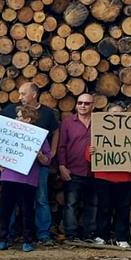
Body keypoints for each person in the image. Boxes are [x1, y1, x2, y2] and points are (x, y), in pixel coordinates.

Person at [0, 81, 60, 244]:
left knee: (40, 199)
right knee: (10, 204)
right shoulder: (12, 109)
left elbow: (56, 131)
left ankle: (43, 234)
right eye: (19, 93)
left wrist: (52, 152)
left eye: (23, 94)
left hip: (36, 169)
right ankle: (8, 234)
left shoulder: (47, 113)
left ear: (34, 94)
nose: (20, 97)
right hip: (13, 169)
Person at [0, 106, 52, 252]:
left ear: (28, 119)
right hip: (9, 176)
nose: (16, 119)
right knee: (5, 209)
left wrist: (40, 156)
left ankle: (27, 240)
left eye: (19, 117)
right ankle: (3, 238)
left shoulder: (39, 136)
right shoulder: (9, 133)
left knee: (27, 210)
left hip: (28, 178)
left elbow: (47, 160)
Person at [91, 102, 131, 248]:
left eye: (120, 114)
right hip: (104, 176)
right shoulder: (99, 130)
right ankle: (101, 235)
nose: (116, 117)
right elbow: (89, 156)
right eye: (113, 114)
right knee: (104, 208)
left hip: (126, 177)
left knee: (123, 208)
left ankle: (121, 237)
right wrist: (90, 151)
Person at [57, 93, 97, 241]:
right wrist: (62, 166)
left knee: (92, 204)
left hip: (95, 171)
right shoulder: (68, 122)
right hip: (73, 169)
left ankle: (89, 234)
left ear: (93, 106)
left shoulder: (101, 123)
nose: (83, 106)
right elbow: (61, 146)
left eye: (87, 103)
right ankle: (71, 234)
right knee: (71, 204)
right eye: (80, 103)